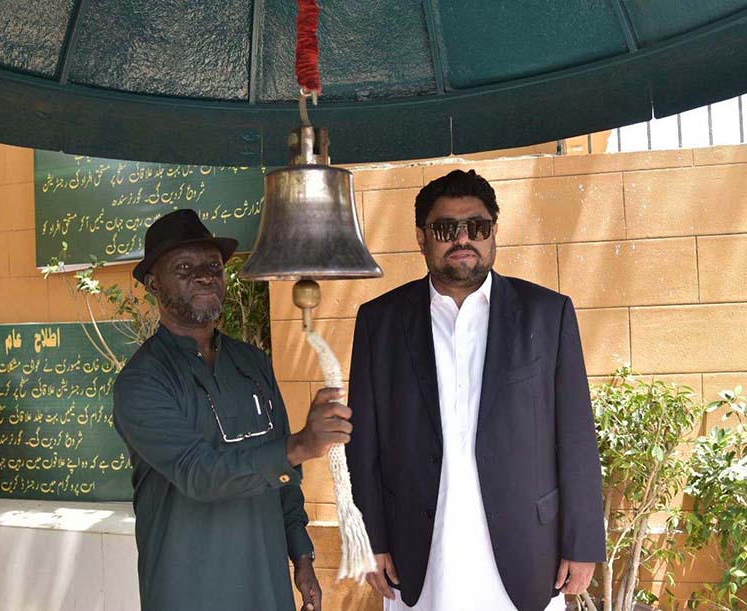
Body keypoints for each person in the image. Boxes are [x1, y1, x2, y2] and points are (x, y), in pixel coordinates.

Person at [345, 170, 606, 611]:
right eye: (446, 229)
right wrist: (367, 538)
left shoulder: (547, 315)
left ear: (494, 234)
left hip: (525, 547)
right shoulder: (380, 322)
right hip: (420, 551)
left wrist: (582, 542)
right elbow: (362, 443)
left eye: (478, 227)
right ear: (421, 237)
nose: (463, 239)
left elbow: (577, 435)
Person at [113, 209, 352, 611]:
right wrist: (300, 446)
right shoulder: (142, 381)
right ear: (153, 283)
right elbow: (200, 474)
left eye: (213, 266)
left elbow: (285, 480)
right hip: (188, 586)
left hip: (266, 585)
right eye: (185, 267)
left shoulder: (252, 362)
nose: (206, 276)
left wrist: (302, 556)